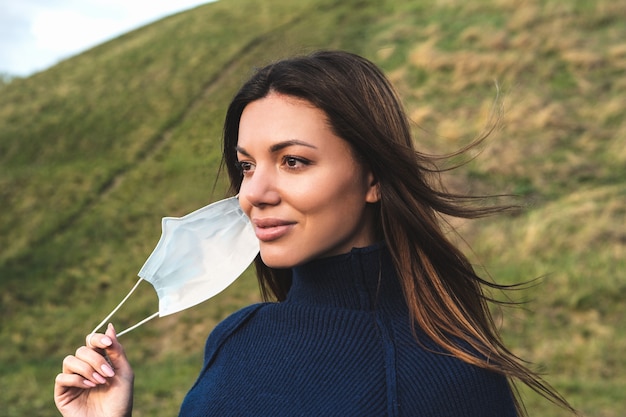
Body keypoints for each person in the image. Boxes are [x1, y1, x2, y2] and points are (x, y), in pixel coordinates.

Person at [54, 50, 576, 416]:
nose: (252, 193)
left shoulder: (443, 376)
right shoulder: (236, 337)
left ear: (373, 176)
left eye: (294, 161)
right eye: (246, 166)